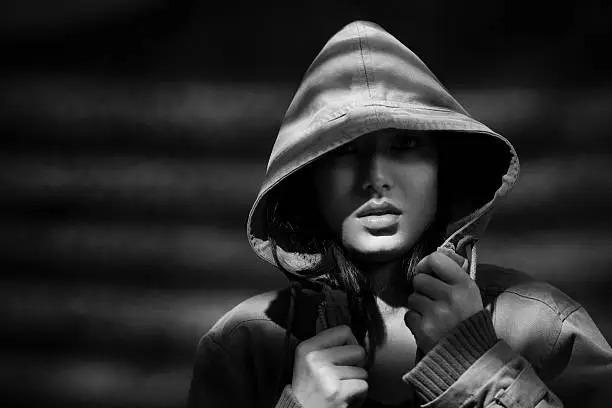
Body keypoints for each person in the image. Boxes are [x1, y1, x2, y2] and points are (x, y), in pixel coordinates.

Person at [186, 20, 612, 407]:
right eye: (345, 151)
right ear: (308, 179)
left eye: (404, 145)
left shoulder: (545, 326)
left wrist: (477, 369)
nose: (375, 178)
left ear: (444, 168)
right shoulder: (243, 344)